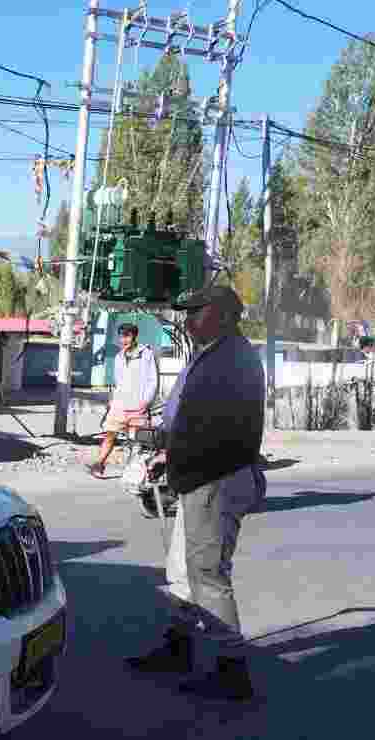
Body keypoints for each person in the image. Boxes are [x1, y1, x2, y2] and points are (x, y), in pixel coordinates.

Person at [125, 285, 266, 701]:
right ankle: (179, 646)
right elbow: (196, 418)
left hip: (215, 479)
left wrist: (176, 451)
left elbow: (224, 429)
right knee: (183, 571)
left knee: (207, 575)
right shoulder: (217, 352)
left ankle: (231, 668)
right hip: (198, 476)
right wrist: (168, 452)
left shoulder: (234, 359)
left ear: (221, 314)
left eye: (195, 313)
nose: (187, 321)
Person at [88, 322, 159, 478]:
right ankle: (99, 465)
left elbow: (153, 380)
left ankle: (137, 472)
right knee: (109, 435)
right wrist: (112, 400)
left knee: (138, 441)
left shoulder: (146, 353)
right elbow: (118, 381)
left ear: (134, 336)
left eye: (127, 336)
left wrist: (145, 401)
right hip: (120, 405)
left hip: (138, 406)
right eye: (122, 336)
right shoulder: (119, 356)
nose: (124, 340)